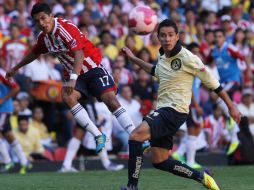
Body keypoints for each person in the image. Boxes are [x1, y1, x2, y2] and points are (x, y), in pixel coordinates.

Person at [120, 19, 241, 190]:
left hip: (174, 111)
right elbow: (155, 71)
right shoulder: (162, 55)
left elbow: (214, 84)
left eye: (170, 35)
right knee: (160, 161)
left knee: (135, 136)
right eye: (163, 35)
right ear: (158, 38)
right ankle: (202, 176)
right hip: (164, 110)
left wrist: (232, 106)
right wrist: (133, 59)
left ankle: (132, 187)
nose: (167, 39)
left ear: (177, 36)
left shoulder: (189, 58)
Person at [6, 3, 137, 154]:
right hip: (74, 74)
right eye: (37, 21)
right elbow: (35, 52)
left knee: (110, 99)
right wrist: (16, 68)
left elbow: (79, 54)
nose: (41, 23)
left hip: (91, 68)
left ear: (51, 16)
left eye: (43, 18)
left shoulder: (64, 28)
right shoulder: (44, 38)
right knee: (67, 96)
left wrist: (73, 78)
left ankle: (135, 134)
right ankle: (98, 135)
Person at [0, 67, 31, 174]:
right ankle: (24, 162)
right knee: (8, 135)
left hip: (3, 109)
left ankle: (7, 161)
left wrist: (2, 100)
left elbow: (16, 88)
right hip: (2, 109)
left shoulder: (2, 73)